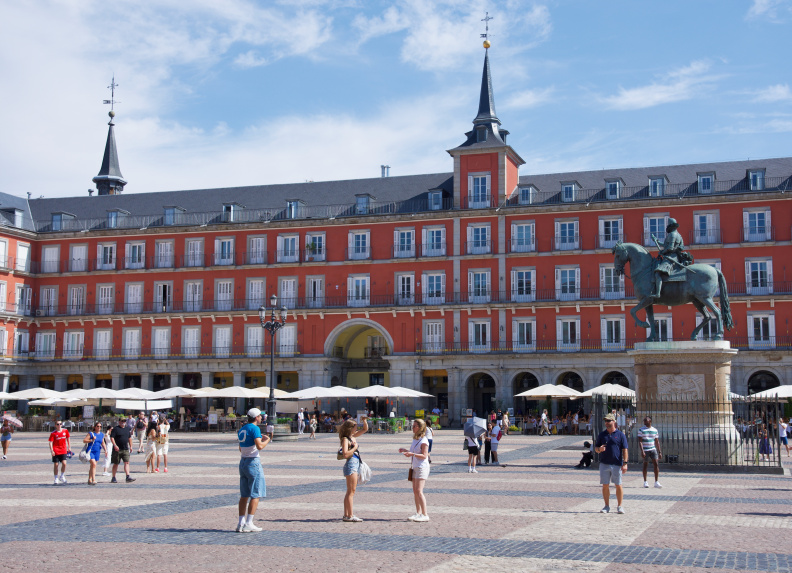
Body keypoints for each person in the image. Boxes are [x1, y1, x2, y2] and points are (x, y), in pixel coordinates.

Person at [236, 408, 271, 533]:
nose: (261, 418)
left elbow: (240, 448)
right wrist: (267, 439)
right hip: (253, 462)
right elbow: (259, 446)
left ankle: (240, 523)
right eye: (260, 416)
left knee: (244, 495)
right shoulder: (255, 428)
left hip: (243, 462)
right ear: (256, 417)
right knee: (256, 493)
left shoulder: (242, 429)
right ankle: (249, 523)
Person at [594, 413, 628, 514]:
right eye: (606, 421)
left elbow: (625, 449)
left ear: (614, 422)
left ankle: (620, 506)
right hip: (604, 463)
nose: (607, 423)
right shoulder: (602, 434)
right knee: (605, 485)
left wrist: (625, 463)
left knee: (618, 485)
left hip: (616, 464)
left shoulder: (620, 435)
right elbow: (596, 448)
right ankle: (606, 506)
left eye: (609, 421)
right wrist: (599, 449)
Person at [651, 218, 691, 298]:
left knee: (657, 273)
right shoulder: (679, 235)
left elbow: (670, 248)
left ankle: (658, 293)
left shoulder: (672, 235)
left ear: (670, 226)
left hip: (671, 257)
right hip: (674, 256)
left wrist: (663, 252)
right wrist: (657, 241)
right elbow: (679, 247)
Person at [338, 416, 368, 522]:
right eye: (355, 427)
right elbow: (345, 454)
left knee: (350, 491)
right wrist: (355, 448)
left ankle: (346, 515)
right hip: (351, 464)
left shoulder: (352, 437)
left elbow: (365, 429)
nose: (357, 429)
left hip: (354, 464)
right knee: (351, 491)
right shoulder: (346, 440)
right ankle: (350, 515)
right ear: (350, 428)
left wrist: (364, 421)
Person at [399, 419, 430, 522]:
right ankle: (418, 513)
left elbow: (425, 455)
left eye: (415, 426)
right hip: (415, 466)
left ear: (420, 428)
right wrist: (406, 451)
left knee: (419, 491)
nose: (413, 428)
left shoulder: (424, 440)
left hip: (422, 467)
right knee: (415, 491)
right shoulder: (415, 439)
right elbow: (413, 452)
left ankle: (425, 514)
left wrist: (412, 454)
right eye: (413, 426)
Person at [637, 416, 663, 488]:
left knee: (656, 464)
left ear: (650, 421)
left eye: (646, 420)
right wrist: (642, 451)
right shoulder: (641, 430)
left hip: (653, 448)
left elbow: (657, 441)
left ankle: (656, 481)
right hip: (645, 449)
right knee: (645, 464)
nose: (645, 421)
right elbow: (640, 441)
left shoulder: (655, 430)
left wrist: (659, 451)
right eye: (644, 420)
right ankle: (645, 481)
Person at [110, 418, 136, 483]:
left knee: (127, 462)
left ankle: (127, 476)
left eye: (124, 421)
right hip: (117, 449)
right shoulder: (116, 429)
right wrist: (115, 445)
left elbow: (129, 438)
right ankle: (113, 477)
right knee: (116, 463)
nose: (123, 422)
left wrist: (131, 446)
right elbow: (112, 437)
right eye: (121, 421)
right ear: (119, 422)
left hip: (125, 449)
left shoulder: (127, 429)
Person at [48, 420, 71, 485]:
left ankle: (62, 476)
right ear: (55, 425)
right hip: (56, 450)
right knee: (56, 464)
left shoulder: (65, 431)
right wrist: (52, 450)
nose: (59, 425)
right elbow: (50, 442)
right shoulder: (53, 433)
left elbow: (68, 438)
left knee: (64, 463)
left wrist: (69, 447)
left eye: (60, 424)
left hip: (63, 449)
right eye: (58, 424)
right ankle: (56, 478)